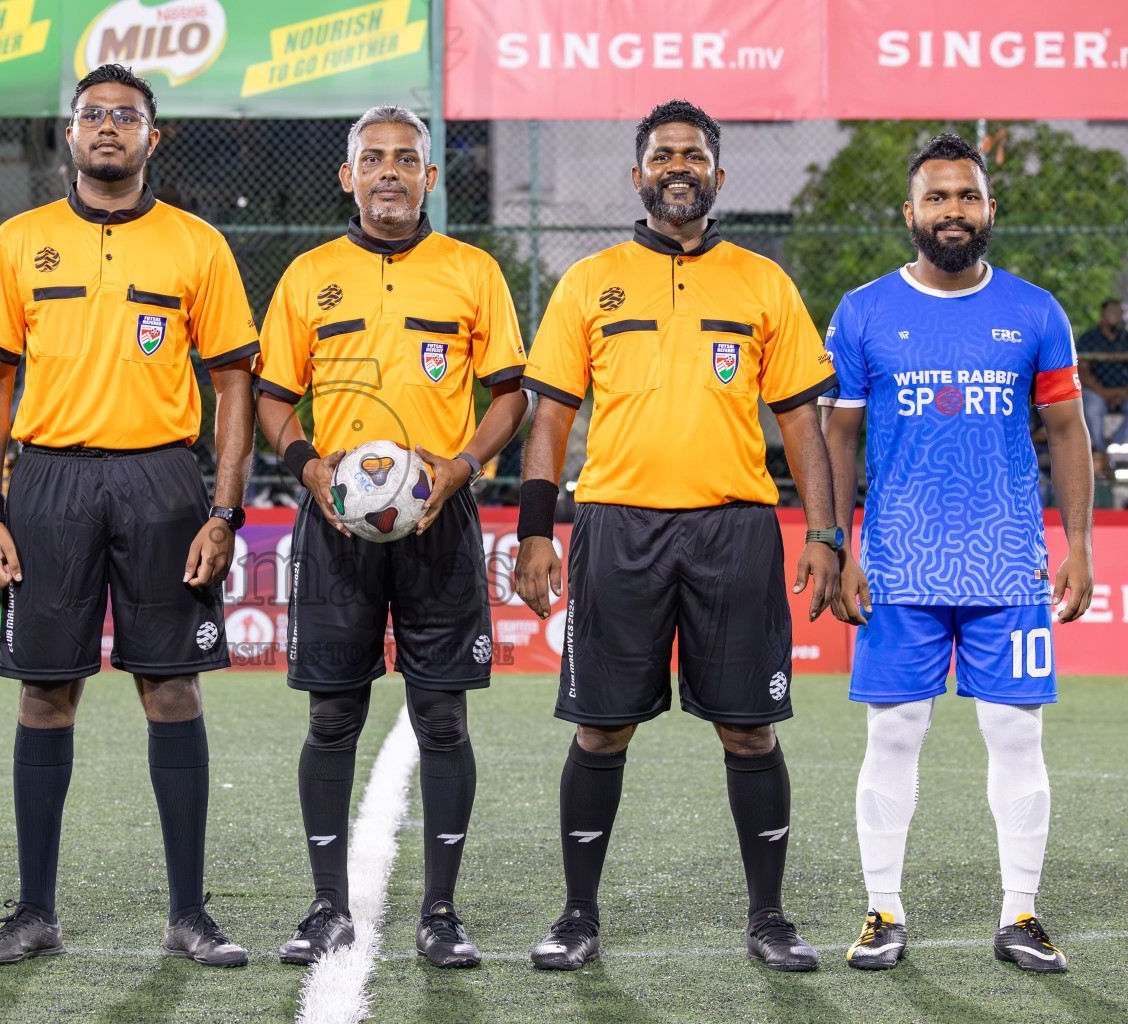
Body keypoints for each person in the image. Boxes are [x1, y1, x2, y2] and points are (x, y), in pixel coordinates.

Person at [513, 99, 840, 972]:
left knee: (751, 731)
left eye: (694, 153)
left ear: (718, 176)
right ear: (639, 175)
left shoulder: (763, 283)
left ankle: (768, 917)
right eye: (663, 154)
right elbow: (548, 420)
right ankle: (578, 915)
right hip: (617, 527)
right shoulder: (590, 282)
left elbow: (802, 420)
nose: (679, 165)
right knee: (599, 731)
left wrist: (827, 532)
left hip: (735, 529)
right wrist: (535, 531)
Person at [0, 64, 259, 969]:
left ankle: (188, 914)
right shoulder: (20, 241)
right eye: (93, 114)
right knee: (46, 692)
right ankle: (34, 913)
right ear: (70, 131)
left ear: (151, 137)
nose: (107, 128)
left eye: (125, 116)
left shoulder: (197, 245)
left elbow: (235, 384)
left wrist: (226, 510)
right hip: (48, 484)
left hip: (164, 484)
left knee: (171, 687)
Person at [256, 104, 527, 969]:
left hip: (438, 519)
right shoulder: (307, 277)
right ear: (348, 176)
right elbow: (270, 398)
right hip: (336, 522)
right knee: (333, 715)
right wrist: (309, 471)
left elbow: (511, 396)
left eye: (405, 160)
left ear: (429, 178)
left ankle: (440, 913)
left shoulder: (472, 272)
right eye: (371, 159)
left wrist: (462, 465)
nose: (387, 173)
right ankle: (326, 905)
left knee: (441, 716)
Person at [822, 133, 1093, 974]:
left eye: (966, 197)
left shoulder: (1037, 310)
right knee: (893, 736)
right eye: (936, 198)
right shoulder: (863, 311)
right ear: (910, 213)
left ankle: (1020, 913)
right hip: (897, 563)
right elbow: (837, 434)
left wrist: (1077, 541)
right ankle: (882, 912)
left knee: (1017, 739)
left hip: (1009, 564)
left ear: (989, 209)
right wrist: (836, 542)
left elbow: (1067, 430)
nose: (952, 212)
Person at [1075, 299, 1127, 462]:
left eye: (1119, 313)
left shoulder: (1126, 338)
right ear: (1103, 315)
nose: (1117, 317)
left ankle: (1113, 444)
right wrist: (1106, 393)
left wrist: (1123, 392)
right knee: (1090, 407)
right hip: (1096, 391)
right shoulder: (1089, 338)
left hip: (1123, 391)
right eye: (1113, 313)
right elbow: (1083, 371)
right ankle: (1099, 450)